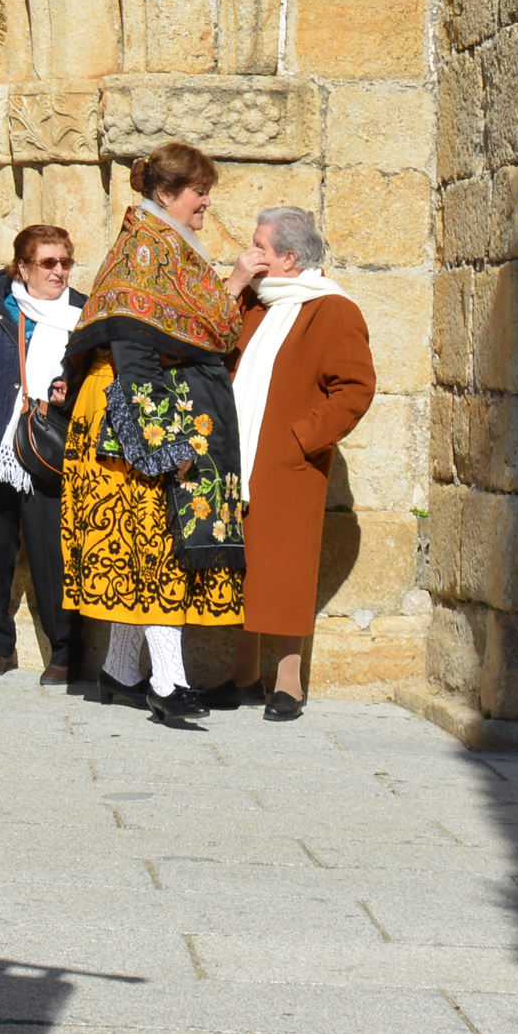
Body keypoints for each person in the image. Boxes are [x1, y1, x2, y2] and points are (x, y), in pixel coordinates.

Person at [59, 143, 247, 731]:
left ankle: (119, 672)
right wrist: (163, 442)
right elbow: (135, 349)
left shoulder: (166, 248)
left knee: (140, 549)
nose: (206, 202)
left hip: (128, 410)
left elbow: (202, 320)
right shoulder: (146, 252)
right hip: (131, 414)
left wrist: (236, 280)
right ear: (166, 194)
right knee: (158, 549)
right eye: (198, 192)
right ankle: (170, 681)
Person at [224, 206, 373, 721]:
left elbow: (354, 389)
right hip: (238, 457)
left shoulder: (332, 309)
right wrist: (236, 281)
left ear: (289, 257)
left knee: (284, 571)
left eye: (259, 247)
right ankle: (243, 678)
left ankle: (289, 683)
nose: (251, 254)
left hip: (288, 465)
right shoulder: (254, 303)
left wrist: (300, 440)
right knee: (240, 566)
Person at [0, 223, 83, 683]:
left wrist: (69, 392)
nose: (59, 271)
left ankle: (65, 654)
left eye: (65, 262)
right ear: (23, 267)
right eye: (48, 263)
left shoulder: (82, 314)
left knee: (54, 554)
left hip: (47, 448)